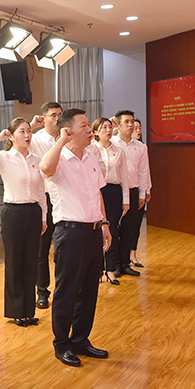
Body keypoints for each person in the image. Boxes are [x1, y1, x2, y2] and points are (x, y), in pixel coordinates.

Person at [39, 109, 113, 367]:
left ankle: (81, 339)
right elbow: (45, 168)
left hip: (93, 231)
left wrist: (105, 224)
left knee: (89, 290)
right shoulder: (58, 157)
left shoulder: (90, 156)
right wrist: (61, 140)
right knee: (67, 291)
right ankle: (61, 343)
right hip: (70, 234)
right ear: (68, 130)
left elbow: (98, 193)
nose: (90, 130)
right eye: (84, 125)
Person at [0, 117, 47, 327]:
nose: (27, 135)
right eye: (22, 131)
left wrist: (43, 216)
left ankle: (28, 311)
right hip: (13, 213)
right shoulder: (4, 157)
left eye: (29, 131)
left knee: (31, 262)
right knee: (14, 262)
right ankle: (16, 312)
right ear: (12, 136)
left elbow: (41, 191)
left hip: (33, 212)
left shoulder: (36, 159)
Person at [29, 101, 63, 309]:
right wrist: (31, 126)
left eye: (60, 114)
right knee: (42, 250)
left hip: (64, 198)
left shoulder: (67, 138)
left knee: (62, 249)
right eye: (53, 115)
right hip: (44, 198)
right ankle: (42, 291)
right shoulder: (35, 139)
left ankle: (63, 290)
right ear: (43, 118)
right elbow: (13, 140)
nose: (57, 118)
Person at [91, 117, 129, 285]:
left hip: (114, 191)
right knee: (96, 231)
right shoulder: (91, 149)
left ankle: (111, 269)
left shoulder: (119, 150)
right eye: (103, 127)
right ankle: (97, 270)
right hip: (97, 191)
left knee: (112, 230)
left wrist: (126, 199)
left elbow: (125, 176)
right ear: (96, 132)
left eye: (109, 127)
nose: (108, 130)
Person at [114, 110, 152, 274]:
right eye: (126, 122)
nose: (130, 125)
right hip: (116, 191)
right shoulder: (112, 143)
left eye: (132, 121)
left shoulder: (141, 147)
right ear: (118, 124)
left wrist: (142, 194)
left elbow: (144, 172)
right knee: (115, 230)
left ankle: (125, 264)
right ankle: (113, 265)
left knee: (129, 230)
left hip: (133, 191)